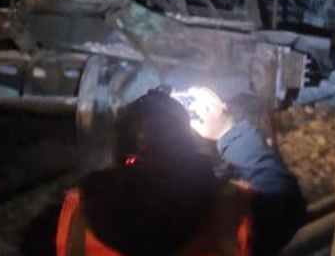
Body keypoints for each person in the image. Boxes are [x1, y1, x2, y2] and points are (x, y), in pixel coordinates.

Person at [52, 86, 306, 256]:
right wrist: (227, 130)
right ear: (187, 148)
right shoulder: (228, 210)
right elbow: (282, 194)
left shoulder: (76, 213)